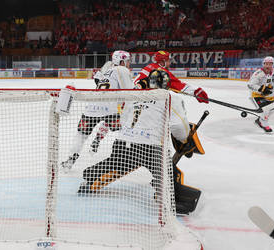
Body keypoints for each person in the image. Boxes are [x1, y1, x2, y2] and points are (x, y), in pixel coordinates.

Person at [78, 69, 205, 215]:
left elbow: (123, 119)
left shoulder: (136, 95)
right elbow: (178, 126)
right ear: (167, 84)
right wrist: (184, 140)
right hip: (151, 147)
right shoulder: (170, 96)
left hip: (123, 143)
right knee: (169, 173)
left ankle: (91, 175)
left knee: (119, 162)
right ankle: (170, 197)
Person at [61, 50, 134, 172]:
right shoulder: (122, 70)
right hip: (110, 108)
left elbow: (97, 80)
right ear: (121, 61)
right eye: (127, 61)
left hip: (92, 106)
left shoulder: (108, 68)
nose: (128, 63)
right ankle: (124, 157)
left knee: (81, 135)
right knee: (125, 128)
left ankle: (70, 160)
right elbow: (131, 91)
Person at [134, 50, 209, 104]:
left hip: (133, 96)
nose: (169, 63)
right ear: (162, 62)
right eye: (168, 61)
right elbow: (179, 86)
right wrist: (196, 91)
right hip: (143, 101)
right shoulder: (161, 71)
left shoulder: (148, 66)